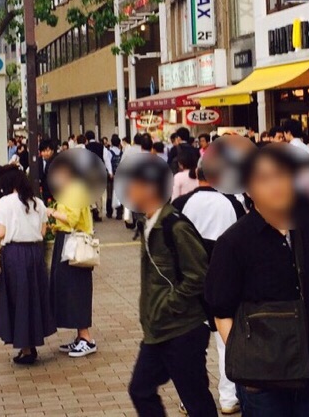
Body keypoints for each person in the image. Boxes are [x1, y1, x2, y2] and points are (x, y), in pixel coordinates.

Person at [206, 144, 309, 417]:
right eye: (264, 178)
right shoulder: (233, 242)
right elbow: (221, 313)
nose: (275, 185)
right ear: (249, 190)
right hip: (261, 386)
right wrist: (249, 366)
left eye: (282, 175)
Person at [119, 154, 217, 417]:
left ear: (150, 188)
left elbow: (198, 275)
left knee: (196, 400)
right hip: (158, 330)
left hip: (183, 329)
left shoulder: (175, 226)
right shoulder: (147, 223)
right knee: (140, 390)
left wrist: (169, 304)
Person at [173, 164, 241, 415]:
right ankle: (229, 398)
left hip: (189, 283)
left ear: (196, 176)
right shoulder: (232, 203)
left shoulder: (180, 204)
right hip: (225, 280)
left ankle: (190, 399)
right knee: (226, 340)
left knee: (192, 346)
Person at [0, 167, 55, 364]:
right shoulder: (38, 202)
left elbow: (1, 232)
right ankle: (31, 343)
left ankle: (26, 348)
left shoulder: (4, 202)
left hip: (14, 254)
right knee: (33, 297)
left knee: (18, 299)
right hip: (35, 253)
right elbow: (42, 232)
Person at [46, 151, 98, 358]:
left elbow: (73, 219)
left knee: (76, 289)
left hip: (73, 243)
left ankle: (86, 338)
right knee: (69, 288)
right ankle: (80, 336)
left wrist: (51, 213)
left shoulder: (75, 189)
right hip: (67, 241)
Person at [85, 131, 106, 222]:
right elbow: (105, 158)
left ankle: (94, 208)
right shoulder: (101, 146)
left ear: (87, 138)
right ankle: (100, 213)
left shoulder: (86, 147)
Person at [105, 135, 123, 219]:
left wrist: (110, 173)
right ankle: (119, 213)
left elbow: (108, 163)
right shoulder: (121, 153)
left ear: (111, 143)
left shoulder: (109, 152)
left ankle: (109, 212)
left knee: (110, 194)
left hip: (111, 176)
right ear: (119, 143)